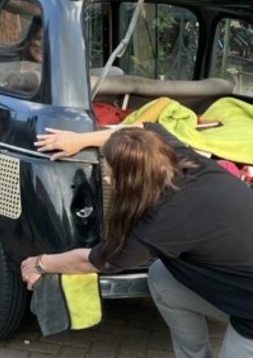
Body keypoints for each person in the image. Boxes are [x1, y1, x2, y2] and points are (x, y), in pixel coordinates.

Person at [22, 124, 253, 358]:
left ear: (131, 179)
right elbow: (140, 128)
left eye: (111, 171)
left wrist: (41, 263)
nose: (106, 176)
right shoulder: (178, 157)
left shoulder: (162, 221)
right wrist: (80, 140)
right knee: (163, 279)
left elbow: (94, 260)